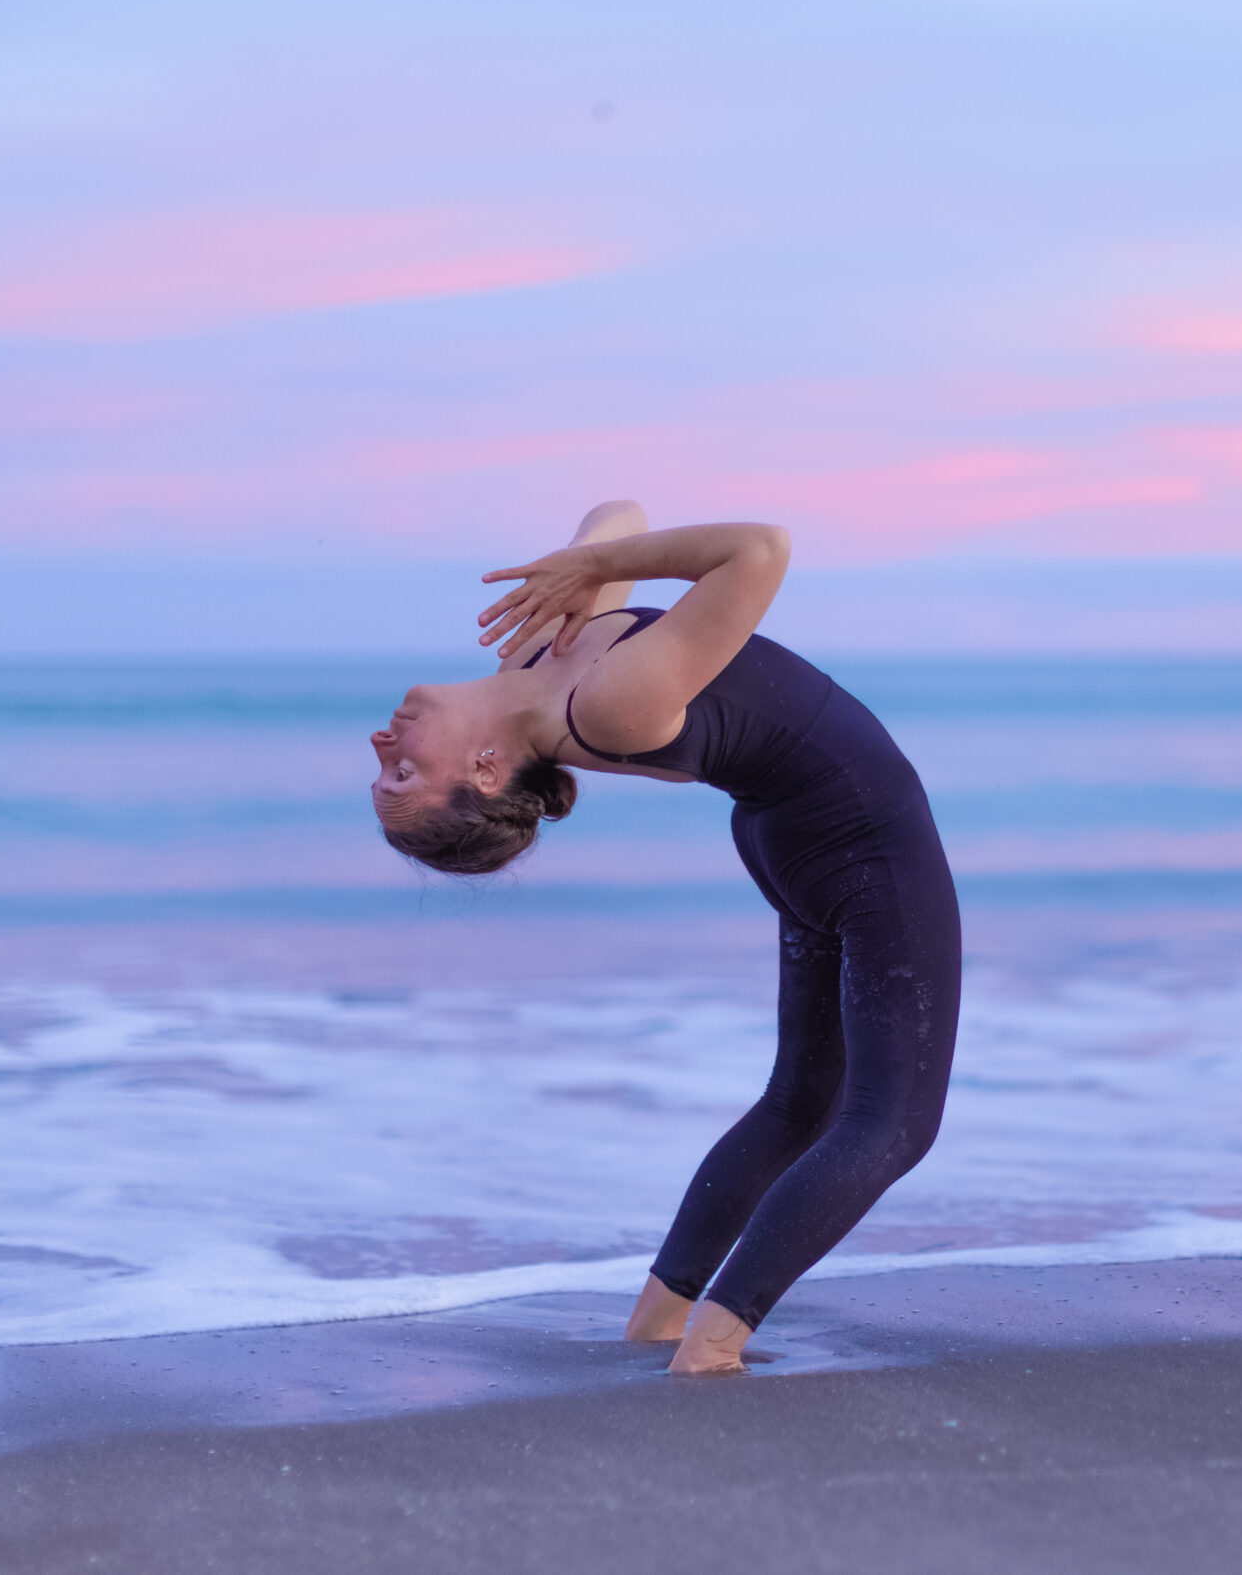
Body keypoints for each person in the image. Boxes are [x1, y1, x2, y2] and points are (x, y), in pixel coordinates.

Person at [369, 502, 961, 1375]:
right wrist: (599, 563)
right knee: (893, 1122)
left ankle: (658, 1319)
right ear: (486, 772)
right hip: (861, 842)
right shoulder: (609, 702)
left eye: (386, 765)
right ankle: (715, 1342)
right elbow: (760, 550)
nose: (382, 741)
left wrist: (582, 566)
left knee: (801, 1101)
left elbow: (621, 514)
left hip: (791, 834)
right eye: (404, 771)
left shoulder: (538, 653)